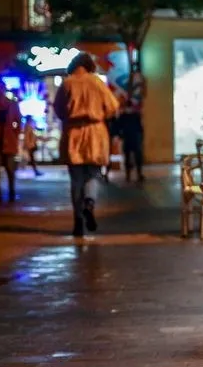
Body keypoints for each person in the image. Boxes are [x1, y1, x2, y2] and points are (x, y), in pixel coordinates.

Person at [52, 53, 120, 237]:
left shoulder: (67, 83)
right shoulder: (97, 82)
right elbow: (113, 106)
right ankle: (89, 203)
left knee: (76, 179)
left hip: (73, 132)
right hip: (95, 132)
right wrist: (100, 114)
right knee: (93, 173)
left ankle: (77, 221)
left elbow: (58, 109)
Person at [120, 64, 146, 183]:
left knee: (129, 155)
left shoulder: (126, 113)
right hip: (134, 135)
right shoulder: (135, 112)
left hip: (128, 135)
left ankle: (129, 175)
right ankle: (135, 174)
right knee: (136, 155)